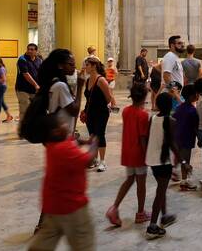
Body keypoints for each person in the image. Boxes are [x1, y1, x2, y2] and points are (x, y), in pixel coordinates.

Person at [28, 112, 98, 251]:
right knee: (84, 244)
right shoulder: (64, 149)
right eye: (62, 123)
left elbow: (73, 140)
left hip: (52, 208)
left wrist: (84, 142)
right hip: (72, 208)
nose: (66, 124)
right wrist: (94, 145)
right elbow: (88, 160)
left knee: (43, 243)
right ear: (56, 131)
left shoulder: (52, 144)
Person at [105, 83, 151, 227]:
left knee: (129, 180)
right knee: (141, 184)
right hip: (139, 154)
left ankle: (114, 207)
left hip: (127, 152)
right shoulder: (143, 115)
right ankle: (140, 213)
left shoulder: (126, 111)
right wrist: (147, 156)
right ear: (144, 96)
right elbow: (143, 138)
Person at [144, 92, 179, 240]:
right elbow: (173, 143)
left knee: (161, 188)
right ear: (171, 106)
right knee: (160, 192)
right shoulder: (171, 121)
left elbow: (147, 138)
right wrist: (183, 161)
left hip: (152, 160)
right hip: (163, 162)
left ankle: (164, 216)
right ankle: (152, 226)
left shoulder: (152, 119)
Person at [81, 57, 116, 172]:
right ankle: (94, 159)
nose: (85, 67)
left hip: (101, 112)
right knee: (92, 135)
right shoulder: (87, 80)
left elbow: (108, 98)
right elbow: (87, 98)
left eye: (87, 65)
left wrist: (100, 105)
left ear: (94, 66)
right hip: (90, 112)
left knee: (100, 134)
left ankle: (103, 161)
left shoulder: (101, 80)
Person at [173, 84, 199, 191]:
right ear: (191, 96)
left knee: (181, 159)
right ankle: (184, 181)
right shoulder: (193, 110)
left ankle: (181, 176)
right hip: (187, 138)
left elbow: (174, 121)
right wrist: (200, 139)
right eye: (196, 94)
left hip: (177, 137)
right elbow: (196, 127)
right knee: (186, 159)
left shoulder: (179, 108)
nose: (198, 95)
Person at [16, 43, 43, 125]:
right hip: (23, 89)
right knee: (24, 110)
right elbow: (26, 74)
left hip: (34, 90)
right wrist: (36, 85)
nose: (29, 51)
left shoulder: (39, 60)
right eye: (28, 49)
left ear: (36, 51)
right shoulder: (22, 59)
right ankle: (22, 130)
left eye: (32, 49)